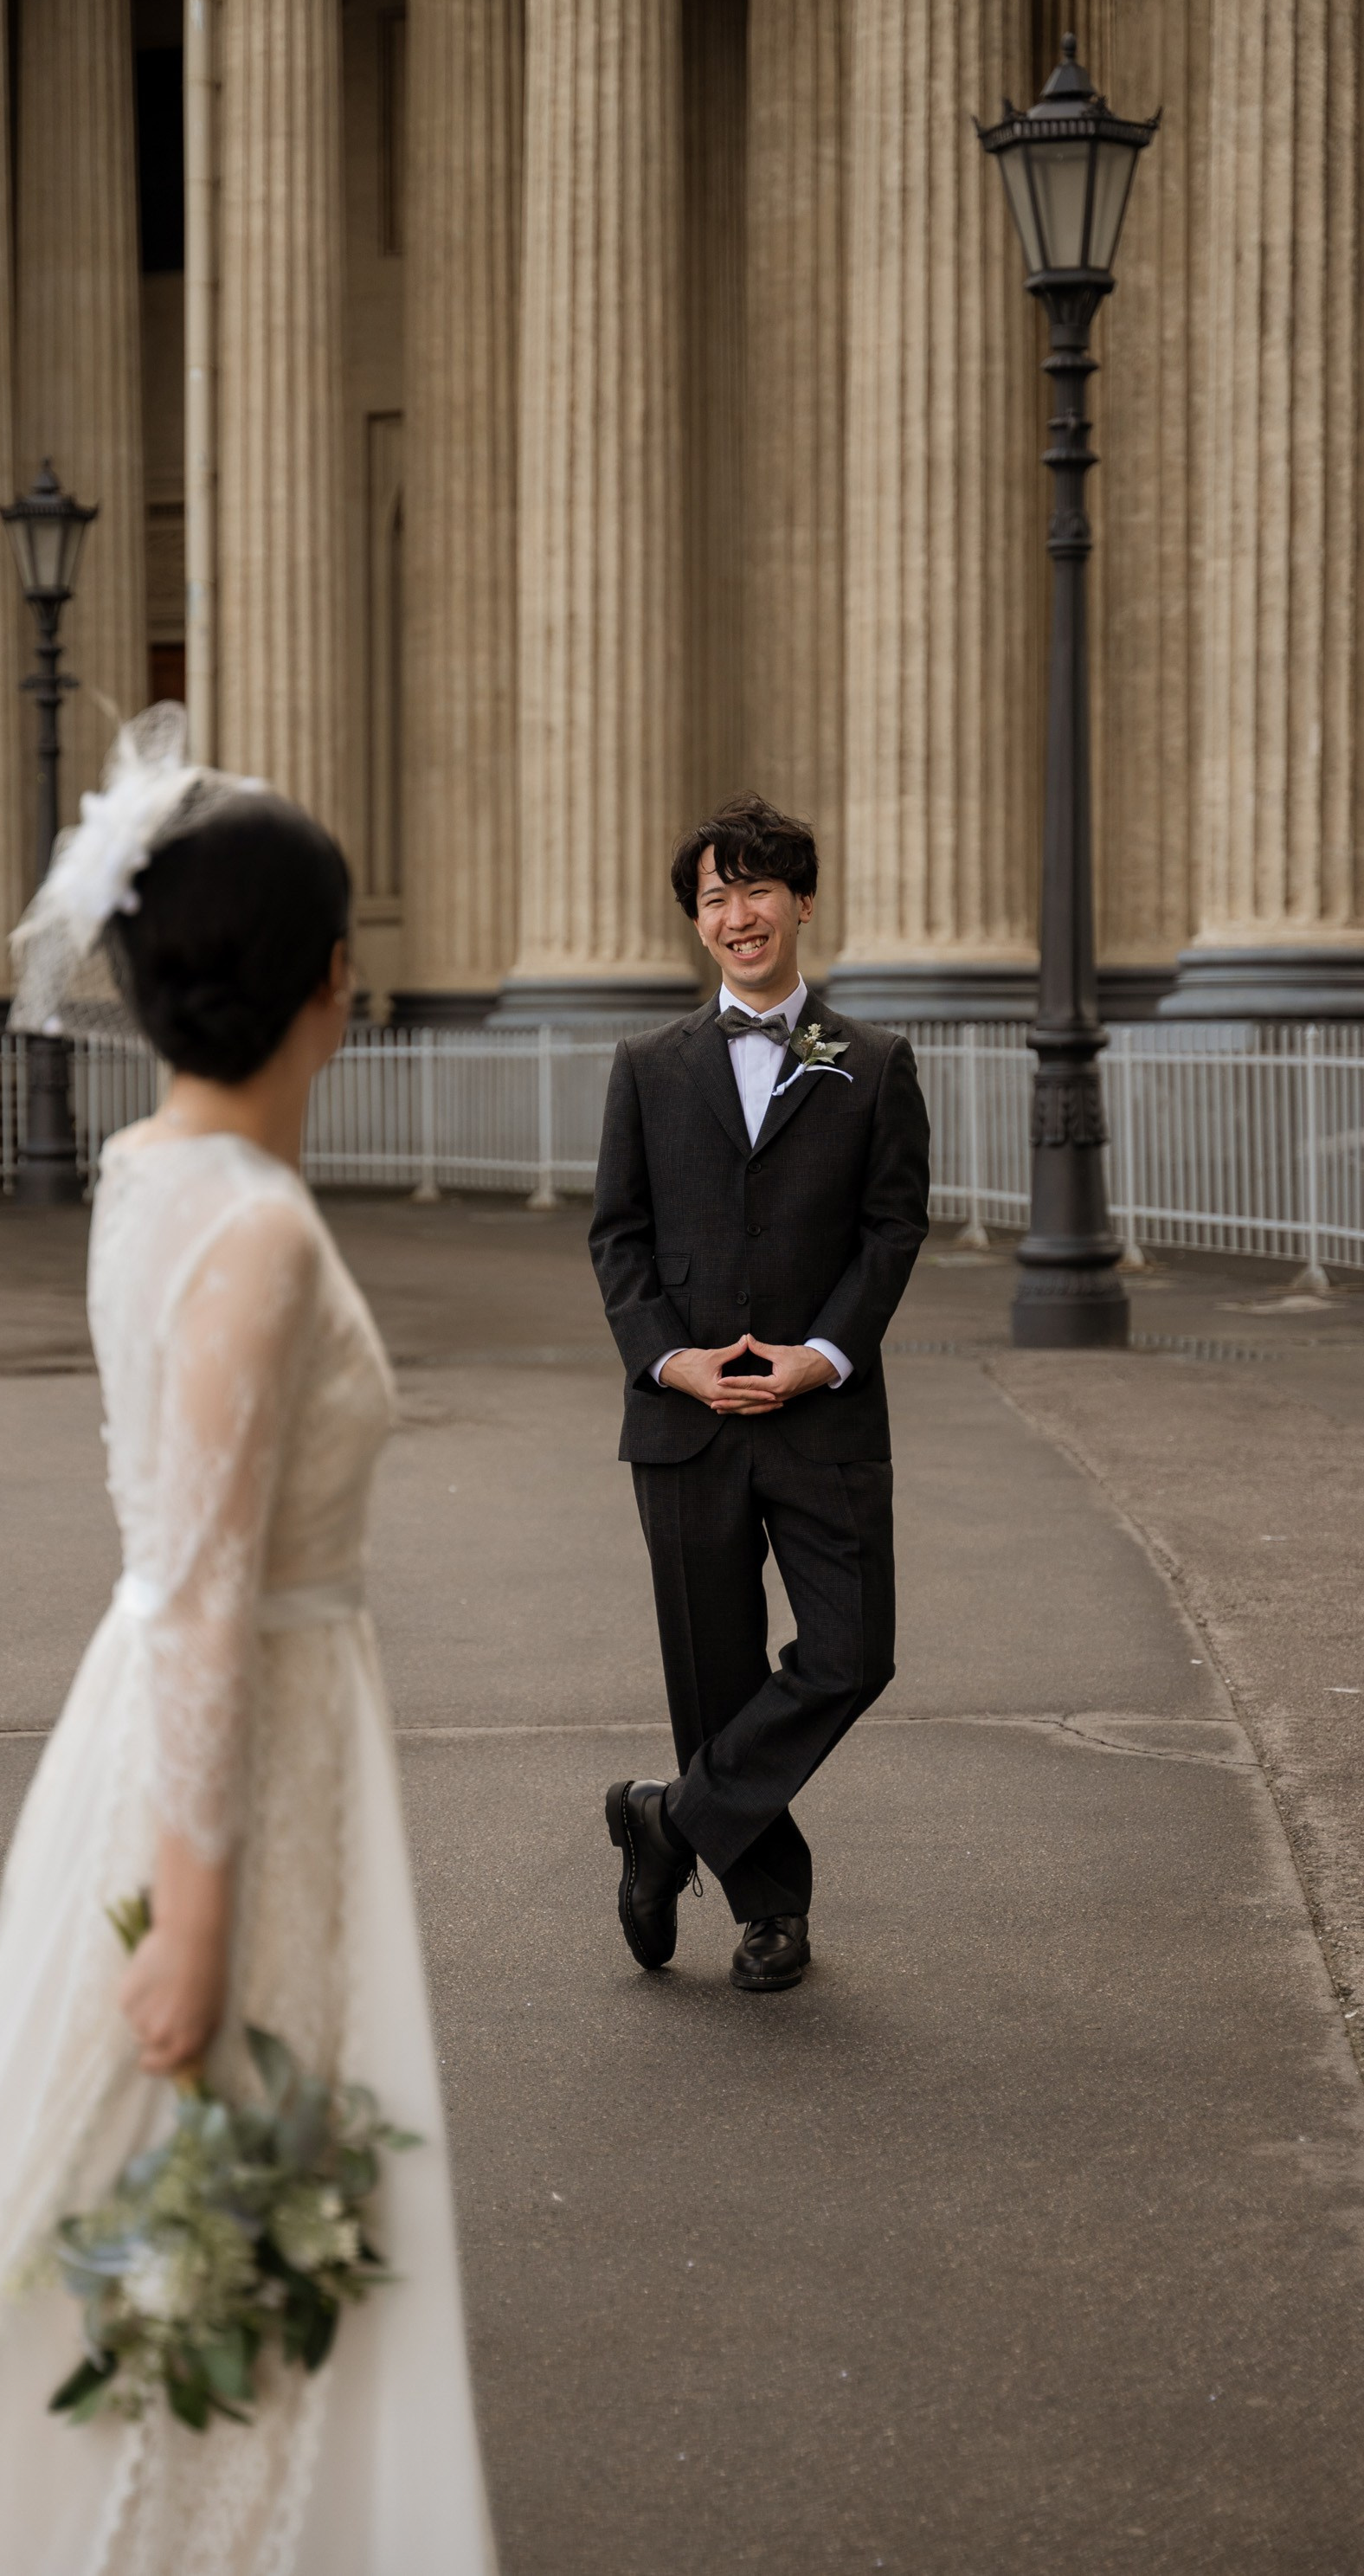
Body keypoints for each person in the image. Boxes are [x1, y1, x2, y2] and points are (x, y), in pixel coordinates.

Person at [0, 709, 496, 2576]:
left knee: (180, 2205)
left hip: (204, 1721)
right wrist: (193, 1913)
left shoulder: (144, 1180)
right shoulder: (244, 1229)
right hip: (231, 1747)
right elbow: (199, 1587)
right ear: (331, 981)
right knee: (201, 2191)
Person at [589, 795, 930, 1994]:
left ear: (802, 905)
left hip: (823, 1412)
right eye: (714, 898)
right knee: (715, 1671)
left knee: (852, 1653)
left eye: (757, 891)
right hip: (684, 1422)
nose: (737, 916)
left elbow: (891, 1234)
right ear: (700, 923)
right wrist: (670, 1360)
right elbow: (616, 1240)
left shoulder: (874, 1064)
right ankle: (769, 1910)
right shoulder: (646, 1067)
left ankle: (668, 1821)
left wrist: (821, 1355)